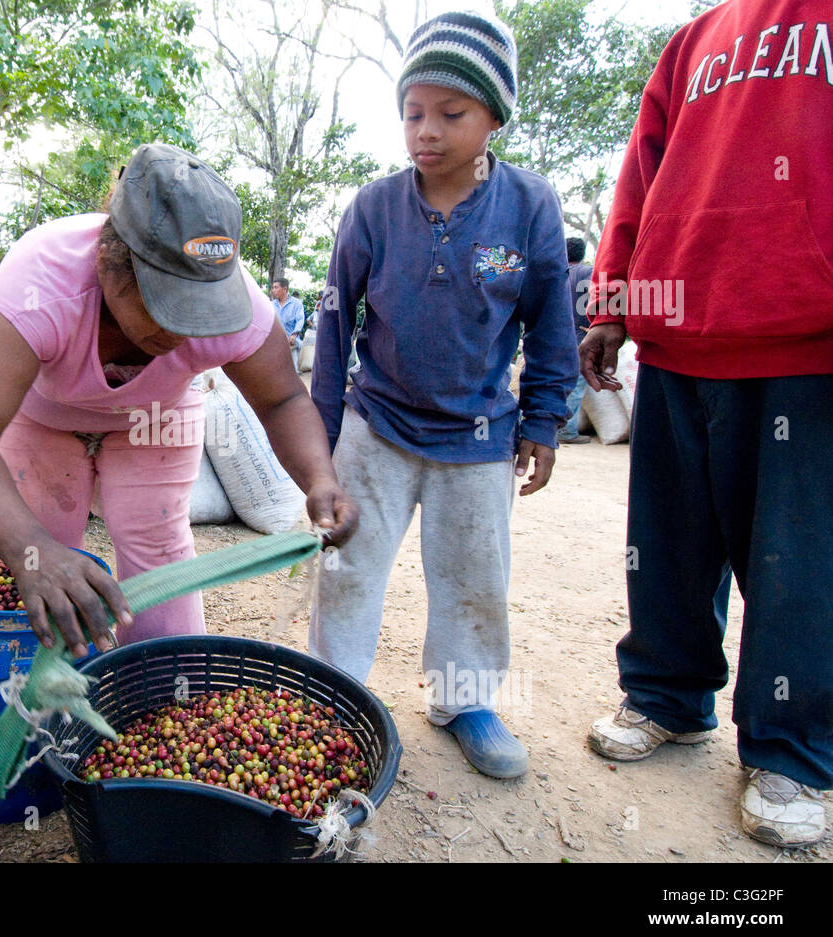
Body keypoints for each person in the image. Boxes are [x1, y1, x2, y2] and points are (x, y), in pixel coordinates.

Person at [0, 142, 359, 657]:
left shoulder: (238, 301)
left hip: (157, 419)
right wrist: (35, 552)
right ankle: (33, 705)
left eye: (199, 311)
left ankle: (158, 695)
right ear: (111, 261)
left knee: (158, 550)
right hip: (43, 418)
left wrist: (319, 478)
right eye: (166, 306)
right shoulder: (43, 283)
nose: (182, 331)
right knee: (41, 549)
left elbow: (282, 400)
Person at [583, 0, 833, 847]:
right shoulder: (696, 39)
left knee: (799, 560)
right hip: (680, 327)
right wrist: (614, 295)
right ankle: (665, 694)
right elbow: (641, 174)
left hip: (808, 331)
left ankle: (792, 748)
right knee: (668, 542)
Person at [309, 11, 577, 780]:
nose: (425, 130)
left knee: (472, 575)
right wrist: (324, 446)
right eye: (412, 112)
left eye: (450, 113)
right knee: (347, 565)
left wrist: (547, 418)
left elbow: (552, 320)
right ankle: (334, 689)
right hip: (377, 424)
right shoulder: (372, 208)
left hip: (479, 438)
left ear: (494, 115)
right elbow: (332, 327)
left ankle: (465, 701)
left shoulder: (528, 207)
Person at [556, 236, 593, 445]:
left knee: (554, 382)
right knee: (576, 385)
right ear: (581, 254)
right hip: (579, 336)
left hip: (555, 338)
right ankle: (567, 431)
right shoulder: (587, 273)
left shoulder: (556, 272)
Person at [270, 277, 305, 369]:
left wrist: (294, 334)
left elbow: (300, 320)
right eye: (273, 287)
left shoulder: (296, 304)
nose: (273, 290)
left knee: (292, 372)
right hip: (275, 343)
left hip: (291, 342)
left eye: (276, 287)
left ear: (285, 289)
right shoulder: (271, 305)